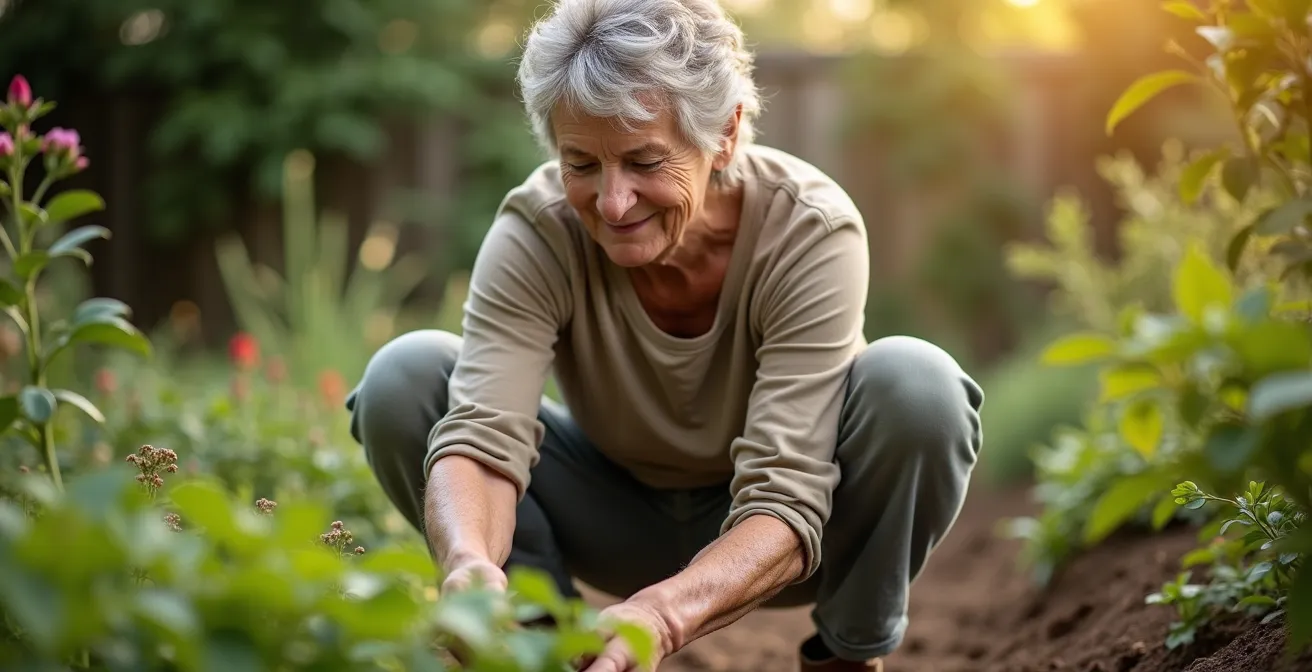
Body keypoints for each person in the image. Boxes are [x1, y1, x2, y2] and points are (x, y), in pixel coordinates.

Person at [345, 0, 984, 670]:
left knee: (919, 388)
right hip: (608, 514)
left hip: (786, 535)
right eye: (582, 164)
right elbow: (482, 438)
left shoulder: (809, 230)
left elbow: (785, 492)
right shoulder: (539, 231)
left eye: (645, 161)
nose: (612, 203)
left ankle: (846, 658)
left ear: (728, 133)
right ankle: (538, 646)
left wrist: (662, 614)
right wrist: (468, 565)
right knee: (404, 376)